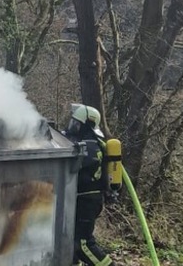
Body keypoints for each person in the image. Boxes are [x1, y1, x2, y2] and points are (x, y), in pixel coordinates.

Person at [64, 103, 117, 266]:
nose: (73, 127)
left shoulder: (91, 146)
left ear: (86, 124)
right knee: (68, 242)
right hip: (82, 199)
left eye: (76, 123)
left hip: (88, 200)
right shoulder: (85, 142)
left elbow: (76, 164)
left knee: (82, 244)